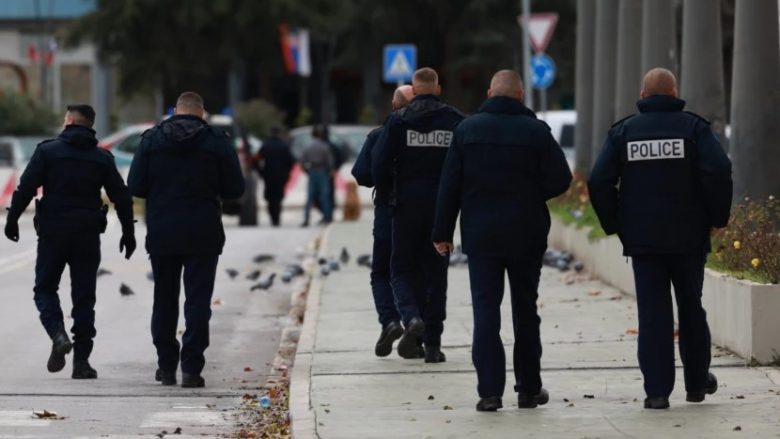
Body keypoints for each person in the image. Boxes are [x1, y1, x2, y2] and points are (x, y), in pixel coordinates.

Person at [588, 68, 733, 409]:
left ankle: (656, 392)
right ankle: (697, 384)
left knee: (653, 314)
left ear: (643, 95)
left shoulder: (624, 132)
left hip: (643, 241)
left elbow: (598, 181)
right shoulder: (694, 129)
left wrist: (616, 223)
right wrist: (717, 218)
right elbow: (719, 170)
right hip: (688, 238)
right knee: (691, 309)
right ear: (674, 92)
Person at [432, 70, 571, 411]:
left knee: (485, 312)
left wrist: (442, 233)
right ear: (521, 95)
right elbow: (561, 178)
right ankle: (528, 389)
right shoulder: (536, 131)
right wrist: (533, 193)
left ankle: (490, 392)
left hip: (482, 236)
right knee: (526, 312)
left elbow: (450, 185)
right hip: (526, 233)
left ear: (490, 92)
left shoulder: (467, 130)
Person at [4, 104, 136, 379]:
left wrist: (12, 219)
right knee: (84, 298)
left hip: (53, 233)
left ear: (70, 121)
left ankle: (58, 334)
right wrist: (128, 232)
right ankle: (82, 363)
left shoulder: (48, 151)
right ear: (89, 125)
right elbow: (121, 196)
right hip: (87, 235)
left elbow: (26, 187)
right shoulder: (102, 158)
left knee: (44, 289)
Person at [127, 92, 244, 388]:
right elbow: (235, 188)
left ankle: (166, 366)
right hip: (203, 231)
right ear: (202, 112)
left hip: (163, 230)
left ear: (174, 112)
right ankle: (192, 368)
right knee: (198, 301)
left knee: (164, 299)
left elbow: (136, 185)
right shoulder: (217, 141)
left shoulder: (151, 140)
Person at [372, 67, 465, 363]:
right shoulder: (455, 121)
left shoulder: (398, 121)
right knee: (436, 274)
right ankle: (433, 345)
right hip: (442, 207)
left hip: (406, 206)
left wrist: (389, 197)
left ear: (414, 88)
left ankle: (410, 317)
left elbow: (380, 164)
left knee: (400, 268)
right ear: (438, 89)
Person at [351, 85, 417, 357]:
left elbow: (362, 174)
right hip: (420, 213)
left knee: (381, 271)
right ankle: (416, 323)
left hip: (387, 211)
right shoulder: (425, 135)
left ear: (393, 105)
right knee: (415, 272)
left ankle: (390, 321)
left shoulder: (379, 135)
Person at [255, 127, 295, 226]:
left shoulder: (266, 145)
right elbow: (291, 161)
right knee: (278, 197)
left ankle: (273, 217)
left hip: (268, 175)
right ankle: (276, 217)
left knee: (270, 197)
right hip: (281, 176)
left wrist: (261, 172)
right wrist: (287, 173)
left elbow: (257, 160)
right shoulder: (284, 146)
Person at [300, 125, 335, 227]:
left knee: (309, 197)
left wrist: (307, 171)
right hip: (322, 171)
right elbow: (330, 162)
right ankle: (328, 218)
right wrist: (329, 171)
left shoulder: (308, 147)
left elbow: (302, 161)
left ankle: (306, 219)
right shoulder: (324, 146)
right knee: (325, 196)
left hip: (312, 170)